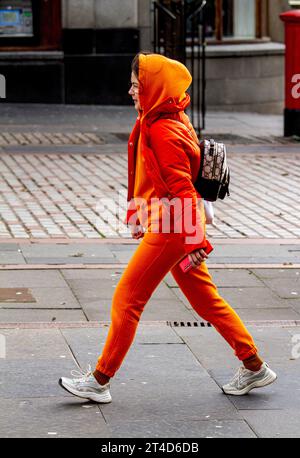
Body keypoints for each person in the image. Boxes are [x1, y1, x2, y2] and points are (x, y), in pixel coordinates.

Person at [59, 52, 277, 403]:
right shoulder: (163, 117)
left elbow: (182, 191)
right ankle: (253, 365)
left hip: (172, 226)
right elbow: (151, 179)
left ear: (153, 88)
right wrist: (141, 216)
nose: (130, 92)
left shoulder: (162, 129)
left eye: (135, 85)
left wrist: (196, 240)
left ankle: (99, 380)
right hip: (171, 223)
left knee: (127, 299)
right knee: (206, 300)